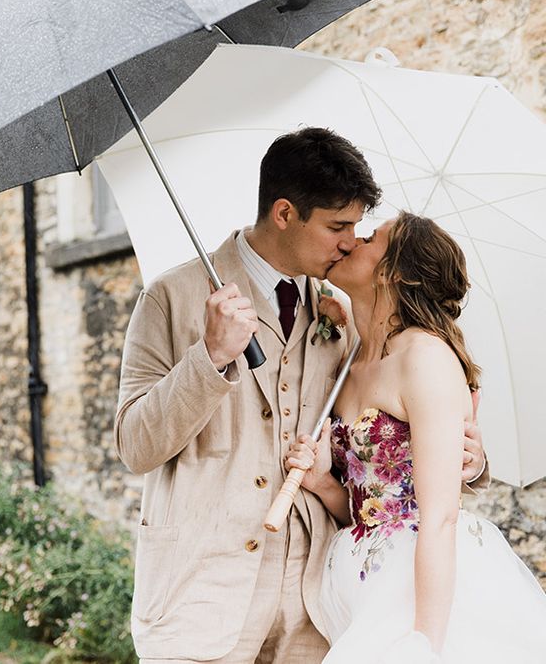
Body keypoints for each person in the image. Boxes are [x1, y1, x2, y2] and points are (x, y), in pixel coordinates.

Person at [114, 128, 488, 664]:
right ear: (285, 214)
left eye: (358, 228)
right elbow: (134, 446)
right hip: (199, 601)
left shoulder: (348, 318)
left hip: (316, 612)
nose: (349, 242)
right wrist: (210, 357)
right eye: (338, 226)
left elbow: (397, 443)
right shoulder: (171, 299)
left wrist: (470, 457)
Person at [285, 212, 546, 663]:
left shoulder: (425, 358)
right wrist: (323, 483)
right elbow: (370, 506)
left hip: (426, 586)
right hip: (361, 582)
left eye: (368, 239)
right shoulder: (350, 363)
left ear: (395, 272)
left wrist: (422, 643)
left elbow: (439, 516)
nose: (351, 242)